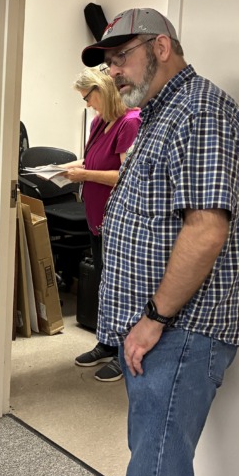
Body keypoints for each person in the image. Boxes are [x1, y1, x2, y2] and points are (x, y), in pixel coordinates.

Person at [80, 8, 239, 476]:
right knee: (154, 467)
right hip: (158, 331)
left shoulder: (200, 112)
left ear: (161, 48)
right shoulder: (161, 115)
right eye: (108, 62)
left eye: (121, 57)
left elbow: (205, 231)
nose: (113, 71)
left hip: (179, 331)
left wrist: (154, 319)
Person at [63, 66, 140, 383]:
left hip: (118, 221)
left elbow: (126, 175)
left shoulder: (130, 123)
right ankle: (107, 343)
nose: (87, 105)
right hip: (98, 219)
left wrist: (86, 175)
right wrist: (77, 168)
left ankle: (125, 354)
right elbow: (96, 161)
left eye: (88, 97)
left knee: (124, 290)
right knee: (106, 285)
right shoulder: (100, 123)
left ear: (103, 91)